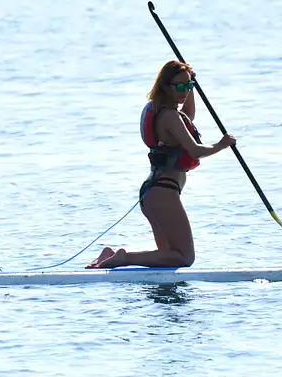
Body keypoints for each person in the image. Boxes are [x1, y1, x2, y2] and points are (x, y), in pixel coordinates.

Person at [87, 61, 236, 269]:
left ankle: (110, 254)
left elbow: (188, 117)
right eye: (180, 87)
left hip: (154, 194)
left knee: (168, 256)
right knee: (184, 258)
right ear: (165, 86)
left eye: (188, 86)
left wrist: (190, 83)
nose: (185, 92)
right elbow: (195, 151)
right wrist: (221, 145)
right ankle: (124, 257)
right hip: (163, 194)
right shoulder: (169, 116)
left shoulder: (160, 111)